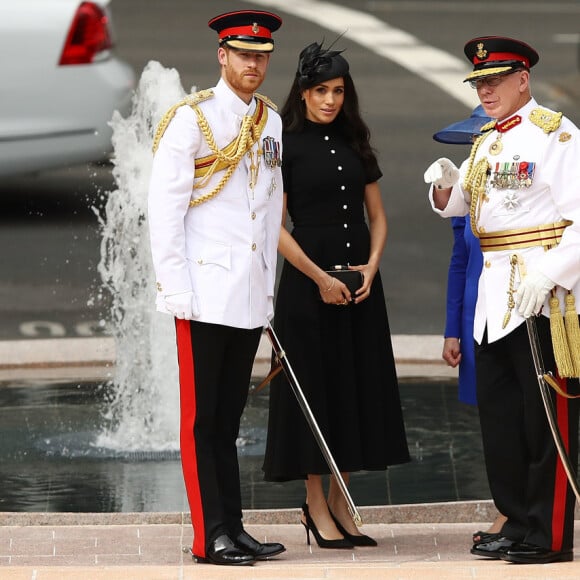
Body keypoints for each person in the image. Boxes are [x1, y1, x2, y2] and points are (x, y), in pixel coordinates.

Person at [424, 36, 580, 564]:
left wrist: (551, 273)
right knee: (502, 421)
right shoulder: (487, 140)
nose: (486, 91)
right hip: (494, 300)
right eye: (480, 83)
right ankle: (515, 518)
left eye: (495, 81)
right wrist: (446, 188)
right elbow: (465, 208)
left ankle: (550, 534)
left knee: (545, 423)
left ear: (523, 80)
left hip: (543, 298)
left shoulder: (555, 135)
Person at [147, 10, 286, 567]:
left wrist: (268, 292)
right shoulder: (191, 120)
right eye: (243, 54)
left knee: (228, 421)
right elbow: (165, 211)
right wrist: (175, 288)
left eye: (262, 56)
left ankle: (235, 526)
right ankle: (211, 536)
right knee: (203, 421)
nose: (254, 64)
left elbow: (270, 209)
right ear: (222, 56)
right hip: (202, 292)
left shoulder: (270, 122)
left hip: (248, 294)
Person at [262, 41, 410, 549]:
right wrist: (319, 277)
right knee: (314, 393)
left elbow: (380, 216)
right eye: (321, 90)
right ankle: (315, 504)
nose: (330, 100)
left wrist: (372, 266)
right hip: (308, 287)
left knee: (355, 384)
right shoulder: (283, 144)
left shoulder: (355, 142)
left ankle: (345, 501)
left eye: (338, 91)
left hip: (360, 286)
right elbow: (274, 226)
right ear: (303, 92)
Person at [433, 107, 508, 542]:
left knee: (515, 419)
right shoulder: (470, 184)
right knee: (492, 422)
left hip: (514, 312)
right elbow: (460, 262)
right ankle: (506, 508)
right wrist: (451, 330)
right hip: (474, 321)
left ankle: (512, 512)